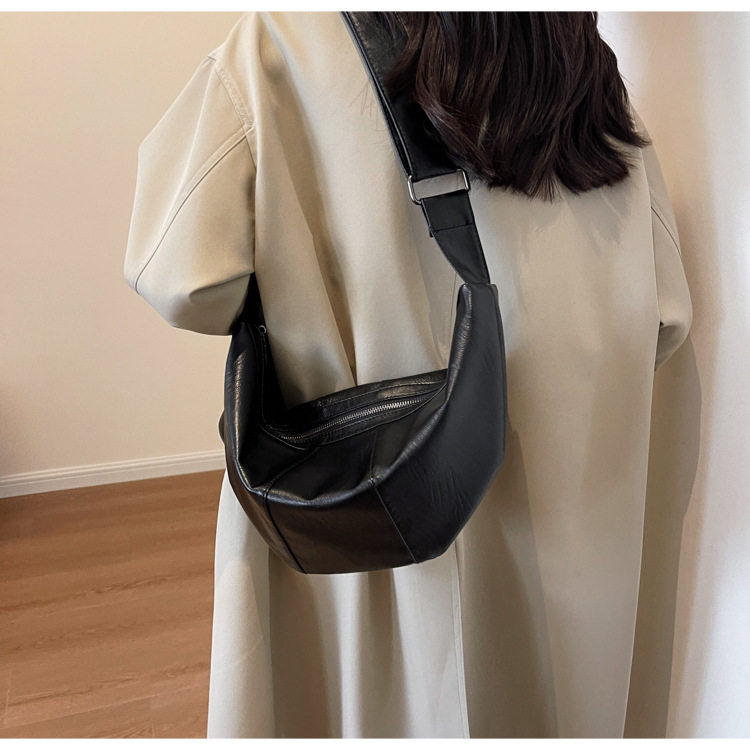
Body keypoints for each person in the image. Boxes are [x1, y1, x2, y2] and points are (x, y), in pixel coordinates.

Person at [123, 11, 692, 738]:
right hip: (572, 517)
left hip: (370, 516)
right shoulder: (584, 68)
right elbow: (664, 316)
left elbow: (182, 280)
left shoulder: (280, 43)